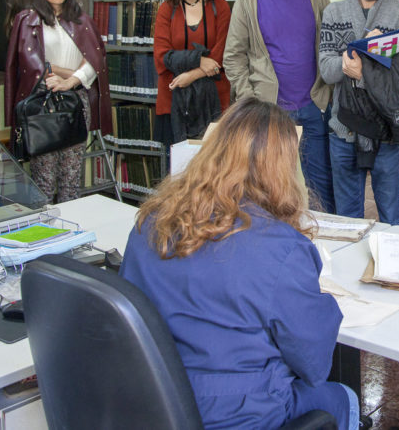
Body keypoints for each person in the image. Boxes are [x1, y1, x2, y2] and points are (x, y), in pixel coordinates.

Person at [119, 98, 359, 430]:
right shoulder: (282, 249)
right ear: (281, 168)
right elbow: (314, 365)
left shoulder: (150, 222)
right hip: (235, 413)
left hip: (155, 402)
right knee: (344, 397)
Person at [224, 0, 335, 211]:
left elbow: (333, 36)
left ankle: (323, 244)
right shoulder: (248, 1)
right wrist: (251, 101)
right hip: (271, 110)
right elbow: (233, 57)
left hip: (313, 106)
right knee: (269, 188)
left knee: (321, 187)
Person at [318, 0, 399, 226]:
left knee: (392, 218)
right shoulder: (334, 13)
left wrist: (373, 59)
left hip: (388, 131)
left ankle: (395, 271)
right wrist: (345, 64)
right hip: (344, 132)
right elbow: (326, 71)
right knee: (348, 219)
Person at [4, 0, 112, 203]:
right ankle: (45, 233)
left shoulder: (81, 19)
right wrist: (60, 74)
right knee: (43, 176)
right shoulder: (27, 20)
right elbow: (25, 66)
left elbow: (95, 61)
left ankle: (72, 232)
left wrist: (71, 79)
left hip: (75, 101)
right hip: (43, 103)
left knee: (72, 177)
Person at [152, 0, 230, 146]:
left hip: (214, 102)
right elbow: (162, 57)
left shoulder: (219, 7)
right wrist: (200, 61)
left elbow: (222, 54)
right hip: (174, 102)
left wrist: (191, 75)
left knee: (214, 168)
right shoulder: (166, 10)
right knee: (177, 170)